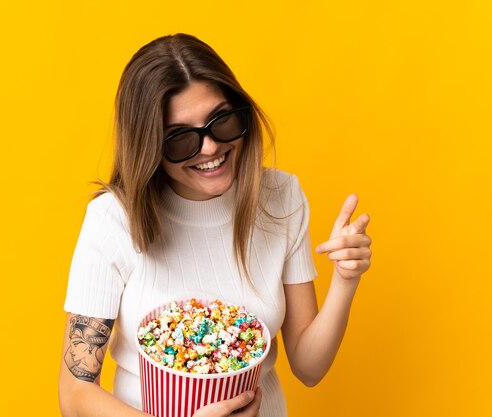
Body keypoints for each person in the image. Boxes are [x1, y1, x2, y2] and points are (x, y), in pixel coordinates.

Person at [58, 33, 372, 417]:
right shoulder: (113, 220)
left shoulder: (280, 198)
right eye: (179, 139)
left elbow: (308, 368)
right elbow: (74, 395)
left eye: (220, 121)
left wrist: (345, 279)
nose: (209, 148)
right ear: (149, 146)